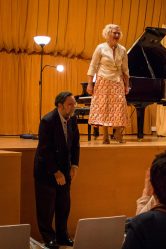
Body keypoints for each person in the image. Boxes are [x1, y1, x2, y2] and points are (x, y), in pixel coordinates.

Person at [34, 91, 80, 249]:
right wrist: (56, 172)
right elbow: (44, 151)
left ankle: (62, 235)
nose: (73, 107)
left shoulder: (72, 119)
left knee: (64, 205)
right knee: (46, 207)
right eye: (70, 104)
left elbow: (75, 144)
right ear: (60, 105)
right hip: (46, 170)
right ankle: (48, 238)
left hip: (64, 168)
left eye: (74, 104)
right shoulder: (47, 121)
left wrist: (74, 164)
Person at [87, 23, 130, 144]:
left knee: (120, 107)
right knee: (104, 107)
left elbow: (125, 69)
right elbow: (93, 66)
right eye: (114, 33)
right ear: (107, 34)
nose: (116, 35)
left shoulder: (122, 50)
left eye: (118, 33)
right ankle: (105, 135)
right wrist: (90, 84)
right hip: (103, 80)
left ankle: (118, 134)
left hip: (117, 81)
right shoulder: (100, 48)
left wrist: (127, 85)